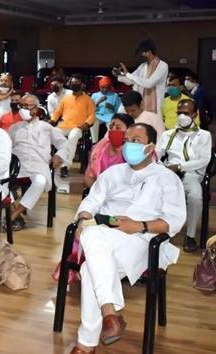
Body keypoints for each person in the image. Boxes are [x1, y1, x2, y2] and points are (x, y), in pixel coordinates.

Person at [68, 123, 184, 354]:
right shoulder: (113, 173)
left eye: (137, 140)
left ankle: (90, 340)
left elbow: (175, 220)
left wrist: (139, 225)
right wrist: (83, 217)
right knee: (92, 235)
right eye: (127, 138)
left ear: (150, 147)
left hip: (143, 240)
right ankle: (107, 316)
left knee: (89, 268)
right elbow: (91, 201)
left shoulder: (167, 179)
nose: (129, 143)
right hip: (105, 235)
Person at [156, 99, 212, 253]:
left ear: (194, 114)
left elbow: (203, 160)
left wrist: (180, 166)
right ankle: (161, 230)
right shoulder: (168, 134)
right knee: (153, 190)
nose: (182, 116)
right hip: (168, 172)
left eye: (186, 113)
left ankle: (190, 235)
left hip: (190, 173)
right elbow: (157, 153)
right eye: (179, 113)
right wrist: (162, 166)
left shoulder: (204, 135)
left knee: (195, 196)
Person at [8, 94, 69, 231]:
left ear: (36, 109)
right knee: (1, 183)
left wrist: (58, 156)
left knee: (40, 181)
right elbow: (6, 148)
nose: (22, 109)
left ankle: (14, 214)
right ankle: (16, 215)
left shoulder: (46, 127)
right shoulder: (14, 128)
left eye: (26, 106)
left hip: (38, 166)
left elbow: (64, 144)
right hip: (17, 166)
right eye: (21, 106)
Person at [50, 74, 95, 183]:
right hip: (64, 125)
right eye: (72, 83)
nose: (74, 85)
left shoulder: (88, 99)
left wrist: (87, 124)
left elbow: (92, 115)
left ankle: (66, 165)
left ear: (82, 85)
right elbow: (57, 112)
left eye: (76, 83)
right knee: (52, 132)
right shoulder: (66, 98)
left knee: (73, 136)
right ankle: (50, 161)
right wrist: (52, 120)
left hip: (78, 127)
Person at [116, 39, 169, 116]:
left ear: (149, 52)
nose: (140, 56)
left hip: (154, 106)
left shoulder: (162, 65)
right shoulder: (143, 66)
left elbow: (149, 83)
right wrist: (120, 74)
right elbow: (130, 81)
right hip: (138, 102)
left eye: (141, 53)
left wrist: (128, 74)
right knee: (120, 115)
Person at [84, 114, 134, 188]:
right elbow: (89, 177)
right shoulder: (99, 149)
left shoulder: (133, 152)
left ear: (128, 131)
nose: (113, 129)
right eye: (111, 127)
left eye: (118, 128)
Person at [90, 76, 121, 143]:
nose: (105, 89)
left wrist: (112, 107)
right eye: (103, 87)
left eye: (107, 87)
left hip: (109, 116)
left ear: (109, 87)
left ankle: (111, 143)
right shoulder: (94, 95)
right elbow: (90, 110)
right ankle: (94, 142)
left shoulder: (115, 95)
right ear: (99, 87)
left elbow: (119, 111)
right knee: (93, 121)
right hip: (97, 115)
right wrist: (98, 102)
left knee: (112, 124)